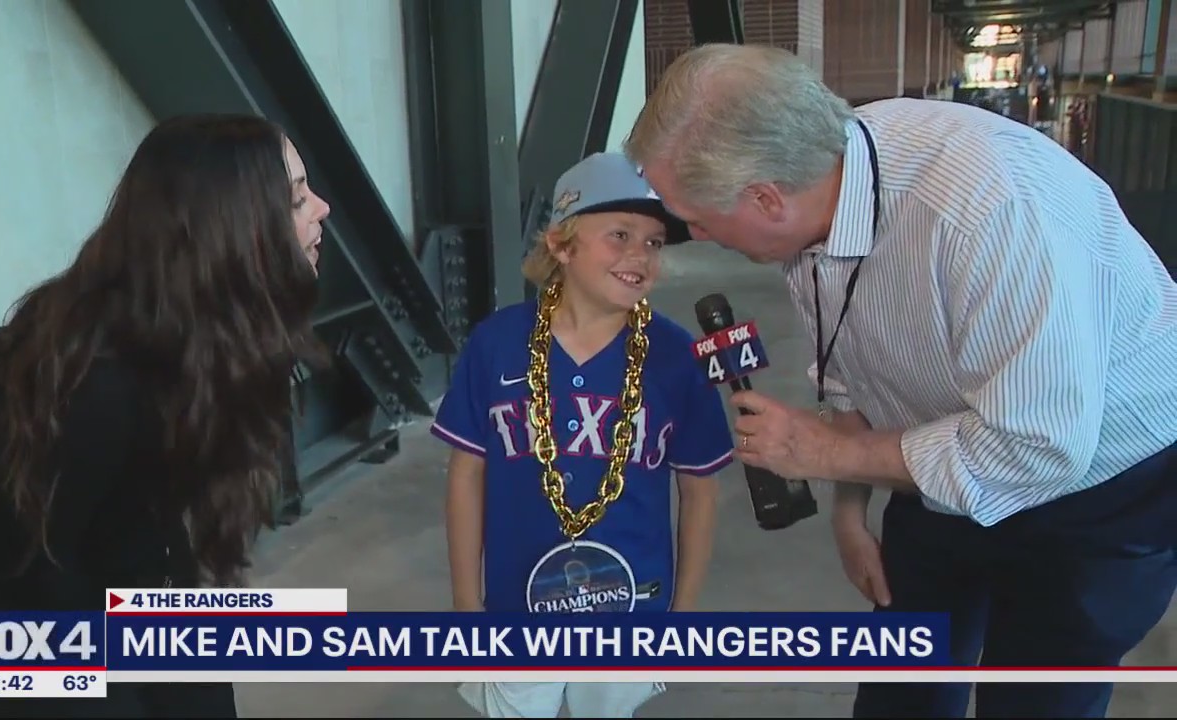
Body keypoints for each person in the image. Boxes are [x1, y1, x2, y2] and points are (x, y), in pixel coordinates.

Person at [625, 43, 1177, 719]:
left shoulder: (989, 209)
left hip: (1100, 486)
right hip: (936, 454)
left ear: (766, 198)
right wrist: (853, 511)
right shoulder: (824, 182)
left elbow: (1038, 446)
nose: (699, 236)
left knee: (1038, 692)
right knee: (903, 683)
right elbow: (849, 367)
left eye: (700, 219)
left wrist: (825, 455)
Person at [0, 113, 332, 717]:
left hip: (96, 513)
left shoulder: (211, 325)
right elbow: (29, 566)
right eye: (297, 198)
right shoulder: (101, 389)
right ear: (235, 230)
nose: (323, 208)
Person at [430, 152, 734, 718]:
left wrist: (685, 615)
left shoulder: (674, 357)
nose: (638, 256)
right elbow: (468, 474)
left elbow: (700, 490)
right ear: (561, 245)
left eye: (653, 242)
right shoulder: (497, 343)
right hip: (513, 608)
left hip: (633, 608)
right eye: (618, 235)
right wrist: (467, 605)